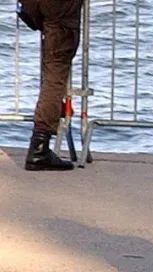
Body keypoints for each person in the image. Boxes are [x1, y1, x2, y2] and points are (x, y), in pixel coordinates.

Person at [19, 0, 84, 171]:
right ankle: (39, 147)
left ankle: (40, 146)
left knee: (51, 78)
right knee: (54, 81)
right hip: (61, 23)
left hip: (49, 20)